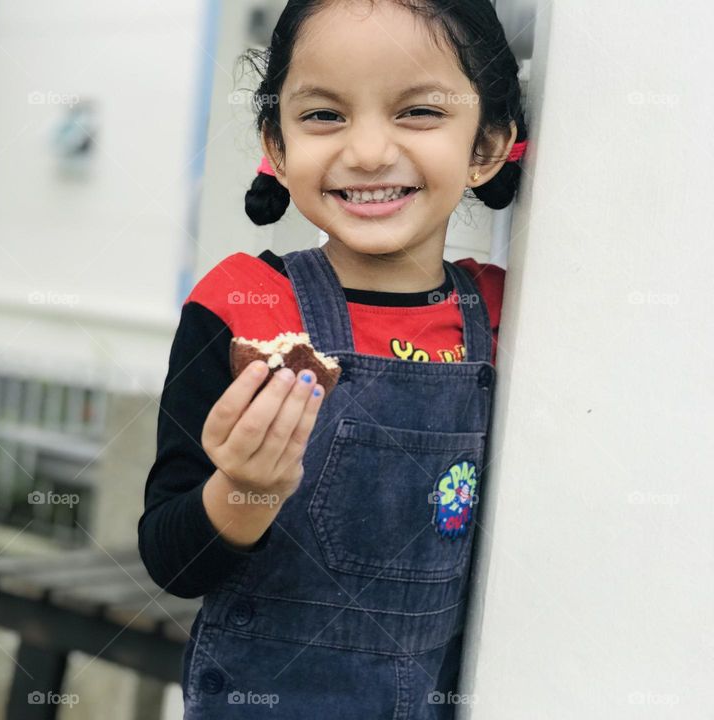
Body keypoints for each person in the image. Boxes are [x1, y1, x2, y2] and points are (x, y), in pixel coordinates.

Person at [137, 1, 530, 716]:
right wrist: (247, 486)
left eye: (418, 111)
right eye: (324, 115)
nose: (370, 151)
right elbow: (171, 560)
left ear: (488, 146)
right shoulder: (242, 307)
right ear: (277, 147)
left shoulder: (509, 316)